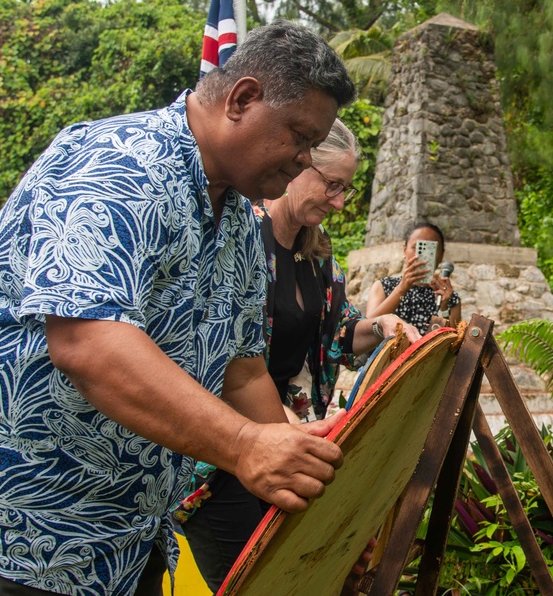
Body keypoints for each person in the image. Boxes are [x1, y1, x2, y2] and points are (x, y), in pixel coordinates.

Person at [0, 20, 356, 596]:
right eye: (299, 136)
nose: (303, 160)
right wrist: (245, 447)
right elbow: (90, 343)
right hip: (3, 512)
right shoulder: (118, 164)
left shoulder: (242, 226)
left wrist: (291, 469)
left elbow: (240, 369)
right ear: (242, 99)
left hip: (116, 535)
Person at [175, 119, 420, 592]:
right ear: (300, 164)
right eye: (332, 185)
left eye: (346, 189)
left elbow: (339, 335)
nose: (339, 201)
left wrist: (381, 325)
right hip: (227, 452)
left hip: (288, 436)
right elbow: (220, 357)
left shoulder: (318, 254)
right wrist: (284, 424)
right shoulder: (241, 238)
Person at [365, 221, 462, 335]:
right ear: (404, 250)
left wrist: (444, 307)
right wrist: (402, 288)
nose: (422, 256)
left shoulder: (449, 297)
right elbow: (367, 328)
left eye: (430, 249)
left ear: (441, 255)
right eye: (417, 247)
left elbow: (452, 343)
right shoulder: (383, 285)